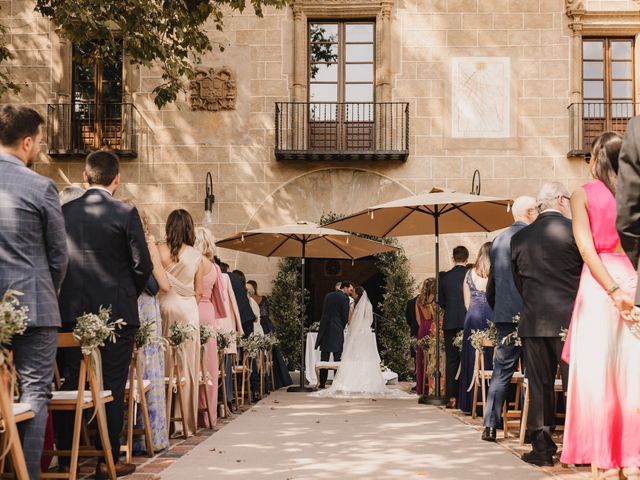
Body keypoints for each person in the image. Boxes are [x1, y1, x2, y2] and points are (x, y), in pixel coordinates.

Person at [57, 150, 152, 478]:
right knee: (112, 386)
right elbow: (143, 266)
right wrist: (126, 294)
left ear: (86, 178)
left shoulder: (64, 211)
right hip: (116, 315)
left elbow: (55, 259)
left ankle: (67, 454)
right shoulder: (125, 212)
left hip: (69, 313)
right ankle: (106, 461)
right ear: (117, 178)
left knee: (71, 382)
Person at [561, 132, 640, 478]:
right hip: (633, 278)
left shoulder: (582, 194)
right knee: (631, 375)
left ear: (596, 159)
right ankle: (632, 458)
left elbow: (586, 248)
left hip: (599, 285)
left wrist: (611, 290)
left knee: (598, 375)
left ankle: (604, 460)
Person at [0, 105, 69, 479]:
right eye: (39, 142)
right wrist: (46, 290)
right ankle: (25, 473)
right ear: (27, 142)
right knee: (35, 393)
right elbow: (59, 256)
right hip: (35, 305)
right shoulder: (40, 186)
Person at [511, 182, 583, 467]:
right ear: (561, 200)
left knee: (539, 387)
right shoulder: (574, 231)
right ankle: (578, 449)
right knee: (574, 386)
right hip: (570, 322)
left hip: (533, 322)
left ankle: (542, 450)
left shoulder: (520, 238)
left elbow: (519, 282)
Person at [481, 195, 538, 442]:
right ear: (528, 212)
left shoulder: (499, 239)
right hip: (532, 314)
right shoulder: (534, 236)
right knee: (532, 373)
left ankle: (490, 426)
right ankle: (530, 429)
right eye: (536, 209)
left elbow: (493, 282)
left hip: (505, 316)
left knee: (501, 372)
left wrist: (498, 308)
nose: (538, 213)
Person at [125, 201, 170, 453]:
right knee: (148, 367)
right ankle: (151, 435)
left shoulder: (117, 240)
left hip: (124, 305)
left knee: (129, 368)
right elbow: (160, 285)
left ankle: (127, 435)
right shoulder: (147, 243)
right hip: (145, 308)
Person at [158, 209, 202, 438]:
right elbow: (199, 292)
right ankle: (185, 422)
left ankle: (162, 421)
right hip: (188, 310)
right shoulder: (197, 255)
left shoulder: (159, 250)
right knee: (186, 366)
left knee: (164, 362)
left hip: (164, 307)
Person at [193, 227, 227, 429]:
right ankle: (208, 416)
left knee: (189, 364)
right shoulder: (214, 268)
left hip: (191, 309)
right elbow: (219, 301)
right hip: (208, 313)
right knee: (209, 367)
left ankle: (190, 414)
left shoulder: (190, 262)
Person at [457, 242, 494, 415]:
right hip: (490, 316)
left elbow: (466, 302)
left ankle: (469, 402)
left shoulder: (469, 274)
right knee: (490, 357)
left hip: (472, 316)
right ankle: (487, 402)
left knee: (472, 357)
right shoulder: (494, 274)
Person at [247, 280, 292, 390]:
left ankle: (264, 380)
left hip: (259, 326)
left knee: (265, 354)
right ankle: (269, 381)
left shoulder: (250, 301)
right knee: (270, 354)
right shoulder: (261, 299)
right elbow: (266, 313)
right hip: (265, 325)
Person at [438, 245, 469, 408]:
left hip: (450, 322)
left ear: (453, 258)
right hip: (467, 322)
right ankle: (465, 397)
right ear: (467, 259)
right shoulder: (470, 275)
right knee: (467, 358)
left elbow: (441, 302)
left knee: (451, 360)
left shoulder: (444, 277)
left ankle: (451, 397)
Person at [314, 281, 352, 389]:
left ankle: (322, 382)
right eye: (349, 289)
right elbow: (345, 315)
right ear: (344, 288)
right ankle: (337, 383)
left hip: (325, 328)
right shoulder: (345, 298)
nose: (349, 292)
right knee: (337, 357)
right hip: (336, 328)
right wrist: (342, 325)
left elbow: (324, 311)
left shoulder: (328, 296)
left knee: (324, 358)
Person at [217, 262, 244, 412]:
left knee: (223, 366)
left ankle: (223, 400)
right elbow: (232, 301)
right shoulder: (226, 278)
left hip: (214, 321)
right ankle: (225, 400)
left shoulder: (225, 278)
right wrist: (238, 328)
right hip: (226, 323)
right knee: (225, 366)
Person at [231, 270, 261, 401]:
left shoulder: (237, 291)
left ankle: (250, 387)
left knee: (246, 354)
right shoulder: (245, 294)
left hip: (241, 324)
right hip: (247, 323)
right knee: (249, 355)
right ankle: (254, 388)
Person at [415, 278, 435, 396]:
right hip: (431, 328)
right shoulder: (433, 300)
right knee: (432, 359)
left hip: (422, 328)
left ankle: (421, 387)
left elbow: (418, 319)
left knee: (422, 359)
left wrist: (423, 326)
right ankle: (431, 387)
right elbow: (434, 316)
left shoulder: (418, 300)